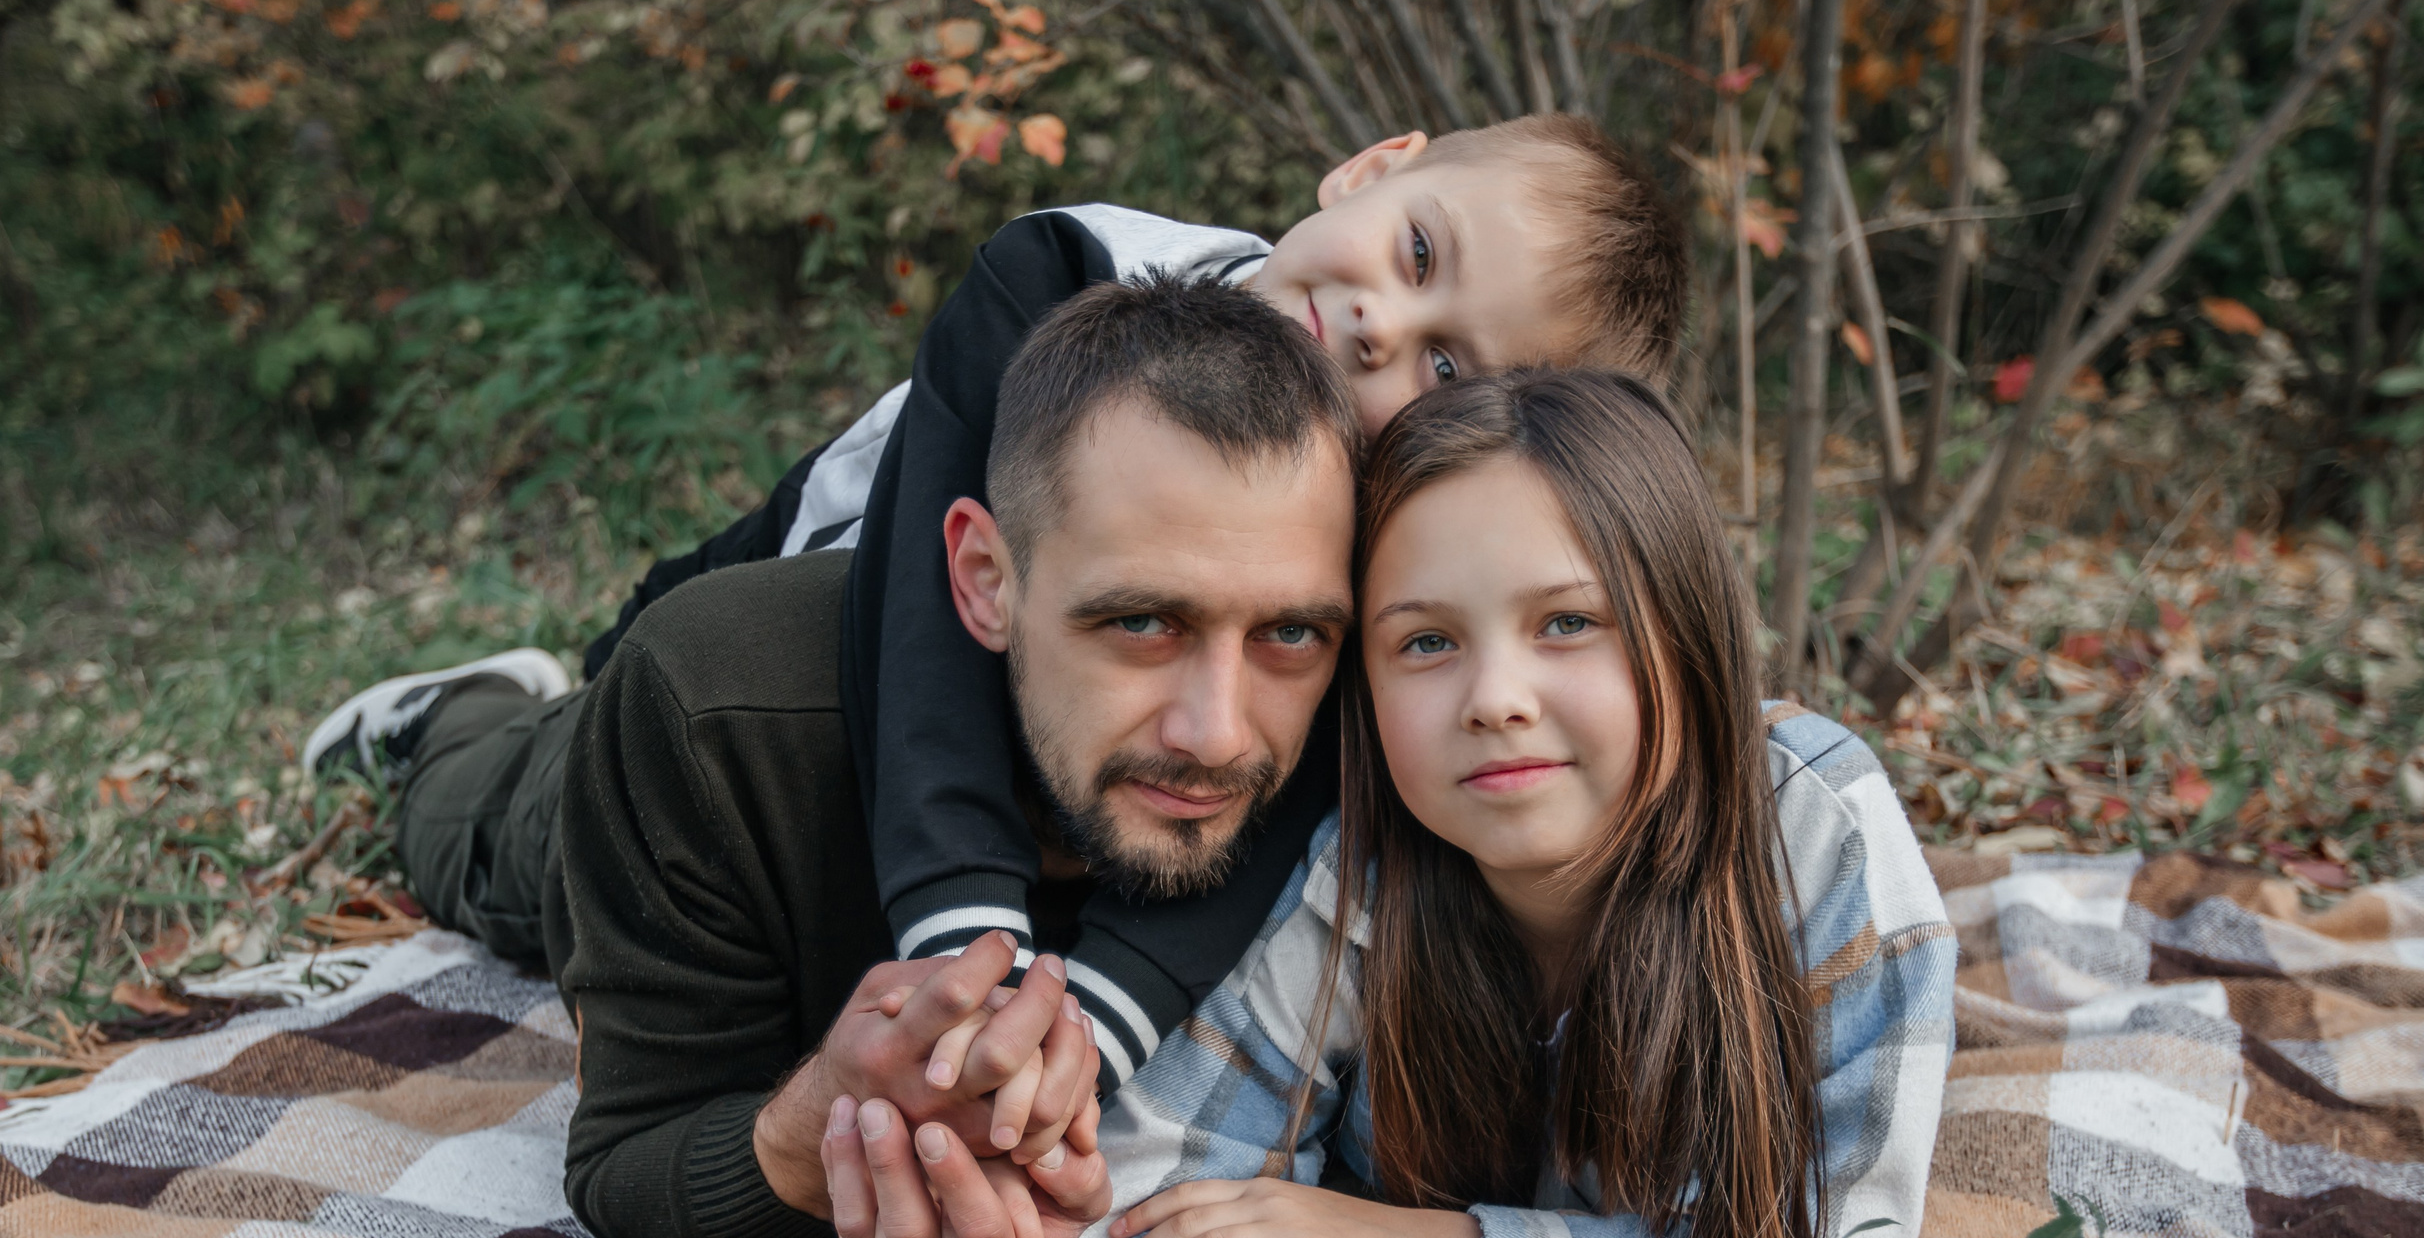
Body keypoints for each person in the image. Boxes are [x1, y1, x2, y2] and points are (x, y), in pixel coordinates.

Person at [309, 116, 1691, 1124]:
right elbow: (919, 657)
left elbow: (1302, 774)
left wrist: (1093, 1018)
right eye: (1416, 248)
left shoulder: (1382, 499)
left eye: (1450, 358)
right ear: (1377, 164)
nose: (1387, 325)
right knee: (514, 846)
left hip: (1058, 747)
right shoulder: (1064, 272)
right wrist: (969, 950)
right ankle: (462, 716)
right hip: (800, 645)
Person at [865, 369, 1956, 1238]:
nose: (1496, 698)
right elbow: (1125, 1222)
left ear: (1687, 634)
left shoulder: (1814, 829)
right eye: (1425, 643)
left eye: (1567, 624)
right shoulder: (1357, 868)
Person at [303, 275, 1368, 1238]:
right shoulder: (717, 707)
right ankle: (458, 705)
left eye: (1289, 631)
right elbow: (629, 1157)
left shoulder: (1394, 729)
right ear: (984, 580)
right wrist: (815, 1127)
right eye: (1140, 622)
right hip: (578, 782)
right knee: (466, 832)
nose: (1218, 733)